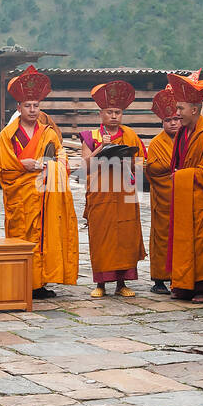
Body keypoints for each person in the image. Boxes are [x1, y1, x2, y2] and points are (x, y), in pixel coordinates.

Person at [0, 67, 77, 298]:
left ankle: (39, 283)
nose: (32, 110)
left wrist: (52, 167)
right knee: (23, 236)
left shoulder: (48, 133)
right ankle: (21, 281)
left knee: (43, 237)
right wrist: (23, 165)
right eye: (27, 105)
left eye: (36, 106)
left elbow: (61, 158)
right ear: (18, 107)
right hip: (21, 198)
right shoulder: (8, 134)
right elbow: (2, 165)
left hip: (44, 195)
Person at [81, 80, 146, 298]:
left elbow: (140, 164)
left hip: (124, 192)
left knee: (125, 236)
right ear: (101, 113)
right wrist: (101, 147)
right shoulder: (91, 136)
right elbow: (86, 166)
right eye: (109, 112)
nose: (114, 116)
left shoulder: (130, 135)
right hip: (101, 192)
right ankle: (100, 284)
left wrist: (128, 162)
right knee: (101, 237)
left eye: (118, 112)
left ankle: (122, 284)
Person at [166, 72, 203, 304]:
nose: (177, 114)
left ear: (194, 109)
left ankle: (202, 287)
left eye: (181, 109)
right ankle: (183, 284)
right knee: (182, 241)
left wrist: (183, 175)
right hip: (185, 199)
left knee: (202, 243)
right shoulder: (182, 133)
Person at [145, 89, 180, 294]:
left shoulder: (187, 138)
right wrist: (174, 171)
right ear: (162, 122)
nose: (173, 123)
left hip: (182, 197)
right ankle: (159, 278)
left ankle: (178, 275)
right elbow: (153, 169)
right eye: (168, 120)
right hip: (163, 199)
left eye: (176, 118)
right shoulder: (157, 143)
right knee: (162, 238)